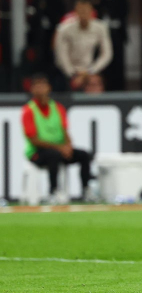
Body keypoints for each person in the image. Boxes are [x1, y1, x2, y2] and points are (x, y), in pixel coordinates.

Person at [21, 74, 93, 204]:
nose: (41, 89)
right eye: (37, 86)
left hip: (59, 149)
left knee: (84, 155)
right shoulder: (28, 110)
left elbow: (65, 131)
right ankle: (53, 192)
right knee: (53, 156)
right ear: (32, 89)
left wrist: (68, 147)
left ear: (49, 87)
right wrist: (59, 148)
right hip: (37, 153)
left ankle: (86, 190)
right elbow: (33, 139)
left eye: (43, 85)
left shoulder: (57, 107)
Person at [54, 0, 113, 92]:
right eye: (80, 10)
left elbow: (107, 54)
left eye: (86, 10)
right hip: (68, 72)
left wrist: (91, 71)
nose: (84, 14)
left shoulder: (101, 28)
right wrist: (73, 74)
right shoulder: (64, 29)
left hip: (92, 70)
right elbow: (61, 56)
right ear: (75, 11)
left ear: (92, 11)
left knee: (96, 82)